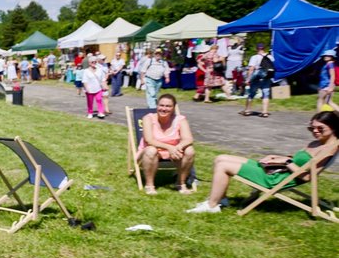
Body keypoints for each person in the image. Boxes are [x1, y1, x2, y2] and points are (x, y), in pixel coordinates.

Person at [188, 110, 339, 213]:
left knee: (223, 166)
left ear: (333, 128)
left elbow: (307, 177)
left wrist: (286, 162)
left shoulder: (328, 149)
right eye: (311, 128)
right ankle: (221, 199)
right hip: (276, 171)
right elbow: (296, 160)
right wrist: (276, 158)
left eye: (321, 128)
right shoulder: (317, 143)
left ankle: (212, 205)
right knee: (220, 158)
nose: (315, 132)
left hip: (275, 180)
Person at [138, 94, 195, 194]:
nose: (164, 109)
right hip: (150, 152)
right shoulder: (148, 118)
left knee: (190, 150)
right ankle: (150, 185)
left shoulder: (180, 120)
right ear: (157, 106)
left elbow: (189, 139)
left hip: (174, 153)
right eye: (161, 105)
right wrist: (170, 147)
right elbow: (149, 140)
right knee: (151, 150)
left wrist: (177, 147)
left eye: (168, 106)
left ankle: (180, 183)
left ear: (174, 107)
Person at [241, 43, 275, 118]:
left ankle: (247, 111)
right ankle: (265, 112)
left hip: (257, 77)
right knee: (265, 94)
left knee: (251, 94)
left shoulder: (254, 57)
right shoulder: (270, 57)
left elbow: (251, 69)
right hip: (267, 76)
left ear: (257, 49)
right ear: (264, 48)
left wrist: (248, 79)